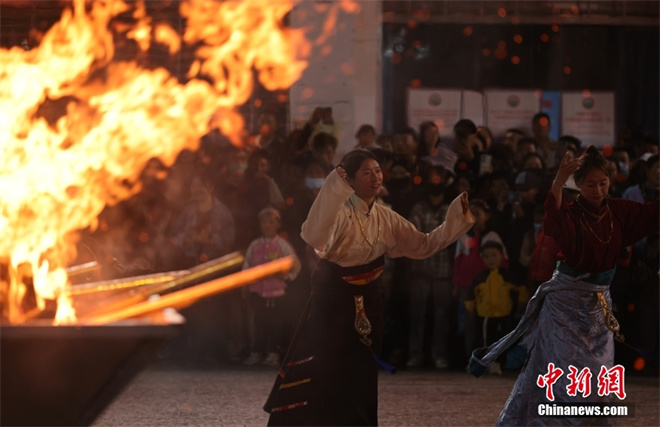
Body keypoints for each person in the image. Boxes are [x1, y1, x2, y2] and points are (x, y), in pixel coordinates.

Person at [264, 149, 474, 426]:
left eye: (377, 170)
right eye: (367, 172)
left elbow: (423, 245)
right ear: (349, 180)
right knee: (326, 368)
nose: (376, 177)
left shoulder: (386, 217)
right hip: (333, 305)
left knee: (362, 372)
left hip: (368, 304)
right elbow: (315, 237)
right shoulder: (338, 212)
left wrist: (455, 220)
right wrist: (333, 189)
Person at [469, 146, 659, 426]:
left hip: (598, 309)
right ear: (579, 185)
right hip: (565, 308)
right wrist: (558, 182)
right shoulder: (571, 213)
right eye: (590, 184)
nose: (598, 190)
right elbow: (553, 217)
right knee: (560, 373)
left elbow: (653, 214)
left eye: (603, 183)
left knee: (598, 374)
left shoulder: (619, 211)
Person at [242, 207, 301, 367]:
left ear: (278, 224)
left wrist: (287, 277)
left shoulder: (282, 245)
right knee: (258, 323)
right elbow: (247, 265)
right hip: (258, 292)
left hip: (276, 292)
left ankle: (272, 353)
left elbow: (295, 264)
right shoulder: (255, 245)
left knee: (274, 324)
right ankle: (256, 352)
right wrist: (246, 283)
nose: (267, 225)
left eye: (271, 222)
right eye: (264, 222)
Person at [465, 240, 528, 375]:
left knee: (502, 342)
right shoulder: (480, 278)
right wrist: (471, 310)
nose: (491, 259)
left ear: (502, 256)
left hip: (505, 315)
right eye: (486, 256)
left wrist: (521, 305)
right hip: (485, 316)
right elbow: (470, 297)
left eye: (494, 255)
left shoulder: (509, 276)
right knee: (483, 340)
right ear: (482, 259)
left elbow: (522, 290)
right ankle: (478, 365)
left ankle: (497, 364)